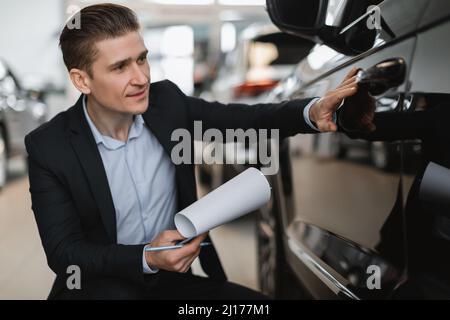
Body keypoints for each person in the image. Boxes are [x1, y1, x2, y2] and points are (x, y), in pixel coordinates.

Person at [25, 3, 364, 299]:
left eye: (142, 59)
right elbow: (65, 253)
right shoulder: (49, 146)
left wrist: (312, 111)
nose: (141, 77)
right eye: (120, 67)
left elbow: (244, 118)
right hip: (99, 287)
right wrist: (146, 257)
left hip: (172, 285)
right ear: (82, 80)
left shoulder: (166, 102)